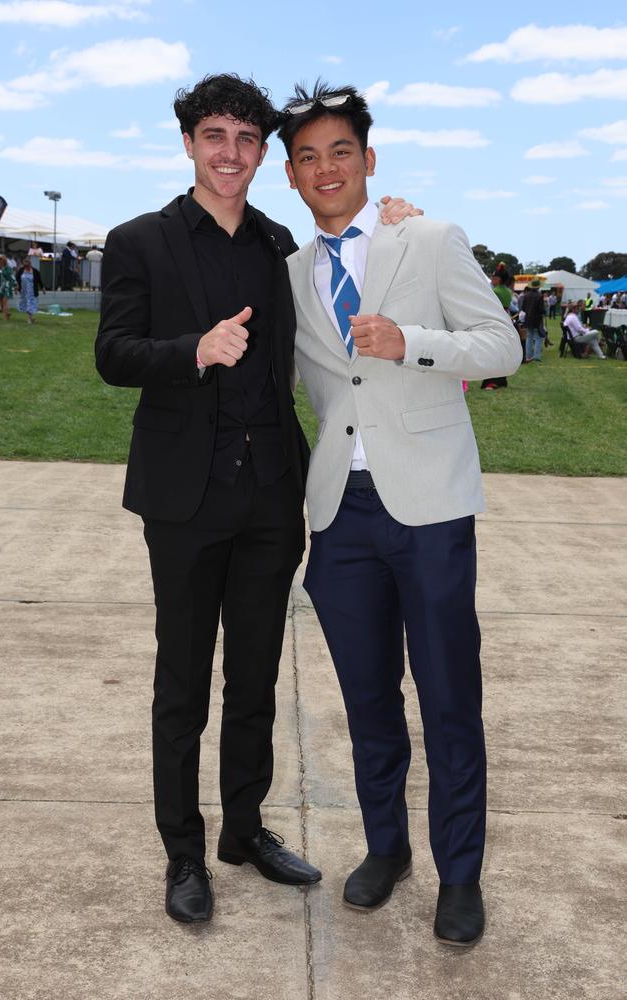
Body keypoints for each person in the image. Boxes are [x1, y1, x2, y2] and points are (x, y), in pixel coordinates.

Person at [95, 72, 417, 926]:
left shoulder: (281, 246)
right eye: (214, 136)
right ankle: (183, 852)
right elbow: (114, 353)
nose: (229, 153)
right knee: (182, 681)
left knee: (256, 678)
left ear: (261, 153)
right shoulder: (140, 242)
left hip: (273, 495)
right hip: (184, 497)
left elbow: (358, 283)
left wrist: (401, 222)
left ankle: (244, 830)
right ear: (190, 144)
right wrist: (193, 350)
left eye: (246, 139)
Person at [279, 81, 522, 947]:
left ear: (368, 161)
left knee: (452, 698)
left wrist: (411, 344)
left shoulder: (429, 237)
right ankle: (388, 850)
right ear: (292, 177)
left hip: (429, 509)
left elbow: (504, 347)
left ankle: (461, 874)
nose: (326, 167)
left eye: (340, 150)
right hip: (339, 517)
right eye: (307, 157)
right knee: (368, 699)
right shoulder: (290, 275)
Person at [481, 262, 513, 387]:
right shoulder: (508, 291)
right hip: (506, 319)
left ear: (499, 279)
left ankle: (492, 381)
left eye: (494, 277)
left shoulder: (495, 291)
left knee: (492, 351)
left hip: (494, 320)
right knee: (501, 350)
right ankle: (501, 379)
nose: (492, 279)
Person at [523, 278, 545, 362]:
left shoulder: (526, 295)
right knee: (538, 338)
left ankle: (528, 356)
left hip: (528, 319)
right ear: (538, 287)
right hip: (537, 320)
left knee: (529, 337)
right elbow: (541, 309)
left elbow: (523, 308)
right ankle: (536, 356)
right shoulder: (539, 296)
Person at [16, 256, 43, 323]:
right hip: (24, 290)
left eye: (27, 262)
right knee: (26, 303)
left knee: (30, 303)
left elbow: (39, 280)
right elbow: (17, 279)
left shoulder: (35, 271)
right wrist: (16, 287)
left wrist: (42, 288)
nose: (26, 264)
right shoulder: (21, 270)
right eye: (25, 262)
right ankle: (31, 318)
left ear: (30, 263)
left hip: (32, 290)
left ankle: (29, 319)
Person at [0, 253, 16, 320]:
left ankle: (5, 317)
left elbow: (12, 277)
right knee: (1, 302)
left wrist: (15, 285)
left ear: (4, 259)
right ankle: (7, 313)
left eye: (1, 259)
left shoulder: (8, 268)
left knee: (5, 301)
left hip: (7, 286)